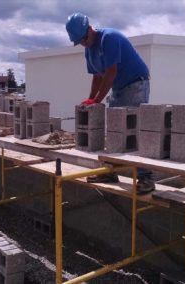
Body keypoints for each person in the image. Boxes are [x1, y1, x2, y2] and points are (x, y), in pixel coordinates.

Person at [65, 12, 155, 194]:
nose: (84, 43)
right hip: (119, 88)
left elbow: (110, 72)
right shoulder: (89, 49)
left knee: (133, 131)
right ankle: (110, 172)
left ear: (90, 29)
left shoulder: (109, 38)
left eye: (85, 39)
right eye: (80, 42)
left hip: (136, 84)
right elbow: (97, 76)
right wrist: (91, 100)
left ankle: (146, 178)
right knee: (114, 132)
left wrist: (97, 100)